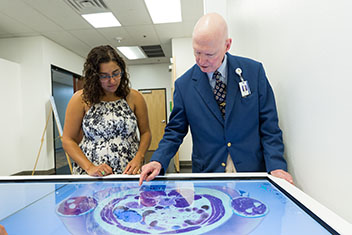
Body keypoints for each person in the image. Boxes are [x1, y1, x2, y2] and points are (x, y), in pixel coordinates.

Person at [139, 13, 293, 185]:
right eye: (196, 52)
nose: (201, 61)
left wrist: (277, 166)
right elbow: (175, 131)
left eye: (209, 54)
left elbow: (269, 125)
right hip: (208, 174)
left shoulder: (253, 72)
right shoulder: (184, 85)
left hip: (252, 171)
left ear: (227, 45)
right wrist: (158, 159)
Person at [62, 45, 151, 176]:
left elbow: (146, 133)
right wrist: (90, 167)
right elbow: (67, 140)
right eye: (104, 76)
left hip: (129, 170)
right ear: (94, 77)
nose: (112, 81)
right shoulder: (81, 99)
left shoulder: (134, 97)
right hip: (94, 173)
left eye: (116, 73)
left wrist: (139, 157)